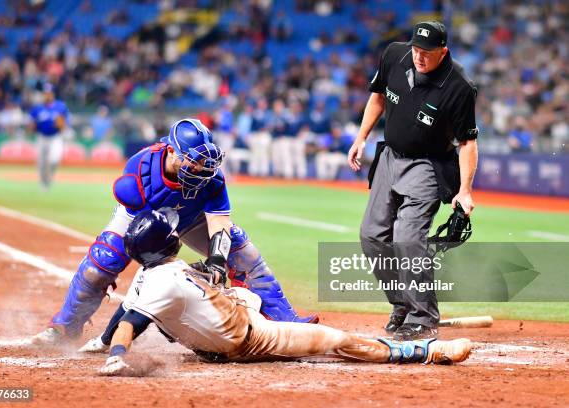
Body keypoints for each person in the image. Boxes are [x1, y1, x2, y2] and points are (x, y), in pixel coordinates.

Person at [78, 208, 471, 376]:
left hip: (237, 317)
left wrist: (104, 340)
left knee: (243, 292)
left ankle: (249, 303)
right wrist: (116, 355)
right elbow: (131, 320)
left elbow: (126, 312)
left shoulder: (151, 275)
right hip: (250, 339)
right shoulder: (160, 283)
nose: (177, 231)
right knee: (334, 339)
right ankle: (423, 351)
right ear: (165, 243)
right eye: (171, 231)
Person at [32, 118, 318, 346]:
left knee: (241, 250)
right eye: (192, 161)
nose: (200, 168)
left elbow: (220, 222)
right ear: (171, 151)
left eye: (204, 162)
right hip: (147, 217)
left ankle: (286, 319)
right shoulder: (140, 171)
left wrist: (218, 260)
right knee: (101, 264)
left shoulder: (212, 177)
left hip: (191, 218)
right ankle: (65, 327)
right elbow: (138, 232)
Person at [347, 21, 479, 340]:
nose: (419, 57)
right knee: (372, 236)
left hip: (427, 165)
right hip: (390, 157)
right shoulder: (395, 55)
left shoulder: (459, 86)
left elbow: (468, 143)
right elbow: (378, 97)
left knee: (407, 238)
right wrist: (361, 137)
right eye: (416, 50)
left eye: (428, 53)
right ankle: (402, 305)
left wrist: (464, 191)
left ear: (443, 52)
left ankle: (423, 316)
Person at [28, 84, 70, 190]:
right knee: (41, 163)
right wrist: (32, 128)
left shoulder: (60, 106)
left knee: (54, 160)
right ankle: (43, 183)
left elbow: (64, 123)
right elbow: (31, 125)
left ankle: (49, 178)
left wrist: (61, 125)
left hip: (55, 137)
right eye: (45, 93)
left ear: (53, 94)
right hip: (41, 137)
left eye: (49, 93)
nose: (47, 96)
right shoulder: (37, 108)